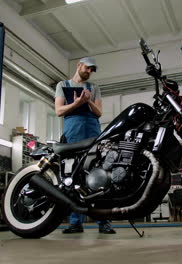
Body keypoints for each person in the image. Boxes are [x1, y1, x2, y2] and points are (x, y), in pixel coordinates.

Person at [54, 57, 116, 234]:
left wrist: (87, 101)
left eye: (92, 70)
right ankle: (75, 222)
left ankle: (104, 221)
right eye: (87, 68)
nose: (89, 72)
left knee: (100, 174)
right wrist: (76, 103)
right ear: (79, 65)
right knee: (75, 176)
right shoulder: (63, 85)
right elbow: (58, 111)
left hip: (93, 134)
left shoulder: (94, 88)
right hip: (73, 134)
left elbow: (99, 112)